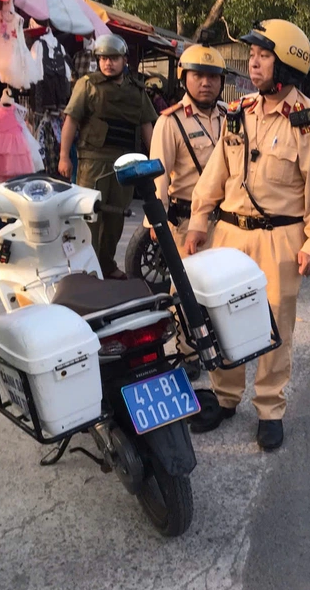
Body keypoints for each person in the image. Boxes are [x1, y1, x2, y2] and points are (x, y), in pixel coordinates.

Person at [183, 19, 310, 450]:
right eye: (252, 55)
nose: (253, 63)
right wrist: (199, 220)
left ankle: (270, 408)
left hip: (279, 239)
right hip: (230, 234)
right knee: (222, 317)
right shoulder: (240, 111)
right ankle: (225, 396)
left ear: (286, 64)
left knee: (273, 326)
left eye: (263, 56)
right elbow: (216, 172)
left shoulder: (309, 123)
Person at [147, 45, 228, 372]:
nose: (206, 83)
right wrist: (155, 222)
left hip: (226, 220)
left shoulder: (230, 117)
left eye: (213, 77)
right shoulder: (170, 122)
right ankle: (188, 352)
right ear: (184, 78)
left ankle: (221, 343)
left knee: (223, 286)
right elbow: (159, 175)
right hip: (184, 222)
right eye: (198, 76)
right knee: (185, 289)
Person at [58, 34, 158, 279]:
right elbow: (71, 120)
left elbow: (147, 126)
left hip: (126, 162)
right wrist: (63, 156)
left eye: (113, 58)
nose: (107, 63)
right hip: (93, 161)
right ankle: (86, 268)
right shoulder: (88, 85)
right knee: (89, 216)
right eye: (103, 58)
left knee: (116, 217)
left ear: (124, 60)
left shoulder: (137, 90)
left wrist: (155, 159)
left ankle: (106, 264)